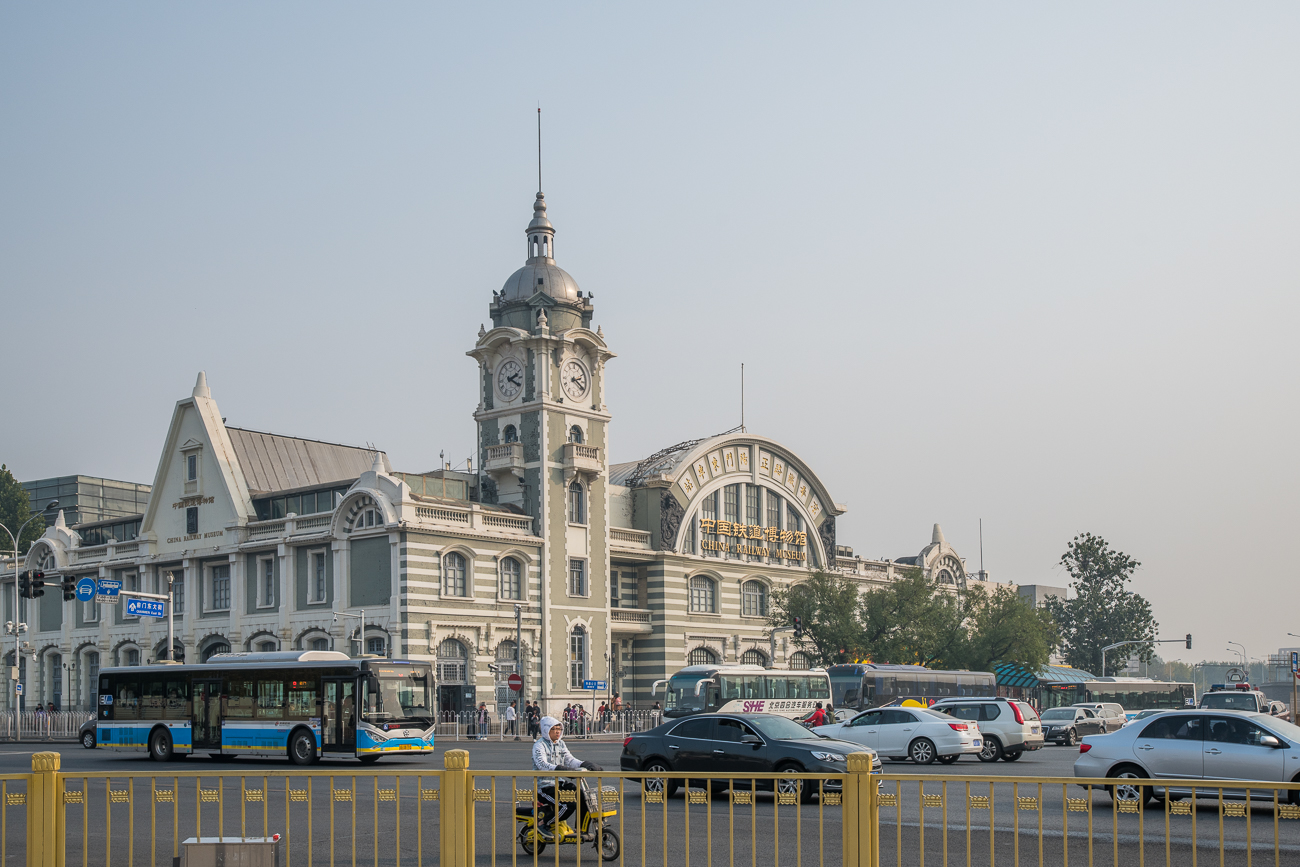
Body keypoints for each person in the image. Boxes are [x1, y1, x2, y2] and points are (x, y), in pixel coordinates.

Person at [532, 716, 601, 841]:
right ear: (546, 730)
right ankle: (543, 823)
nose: (557, 731)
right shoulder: (539, 745)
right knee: (568, 805)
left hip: (560, 783)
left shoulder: (561, 744)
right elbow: (541, 764)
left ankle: (580, 830)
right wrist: (559, 769)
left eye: (559, 728)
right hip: (545, 786)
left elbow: (570, 760)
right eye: (554, 729)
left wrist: (585, 764)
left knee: (584, 796)